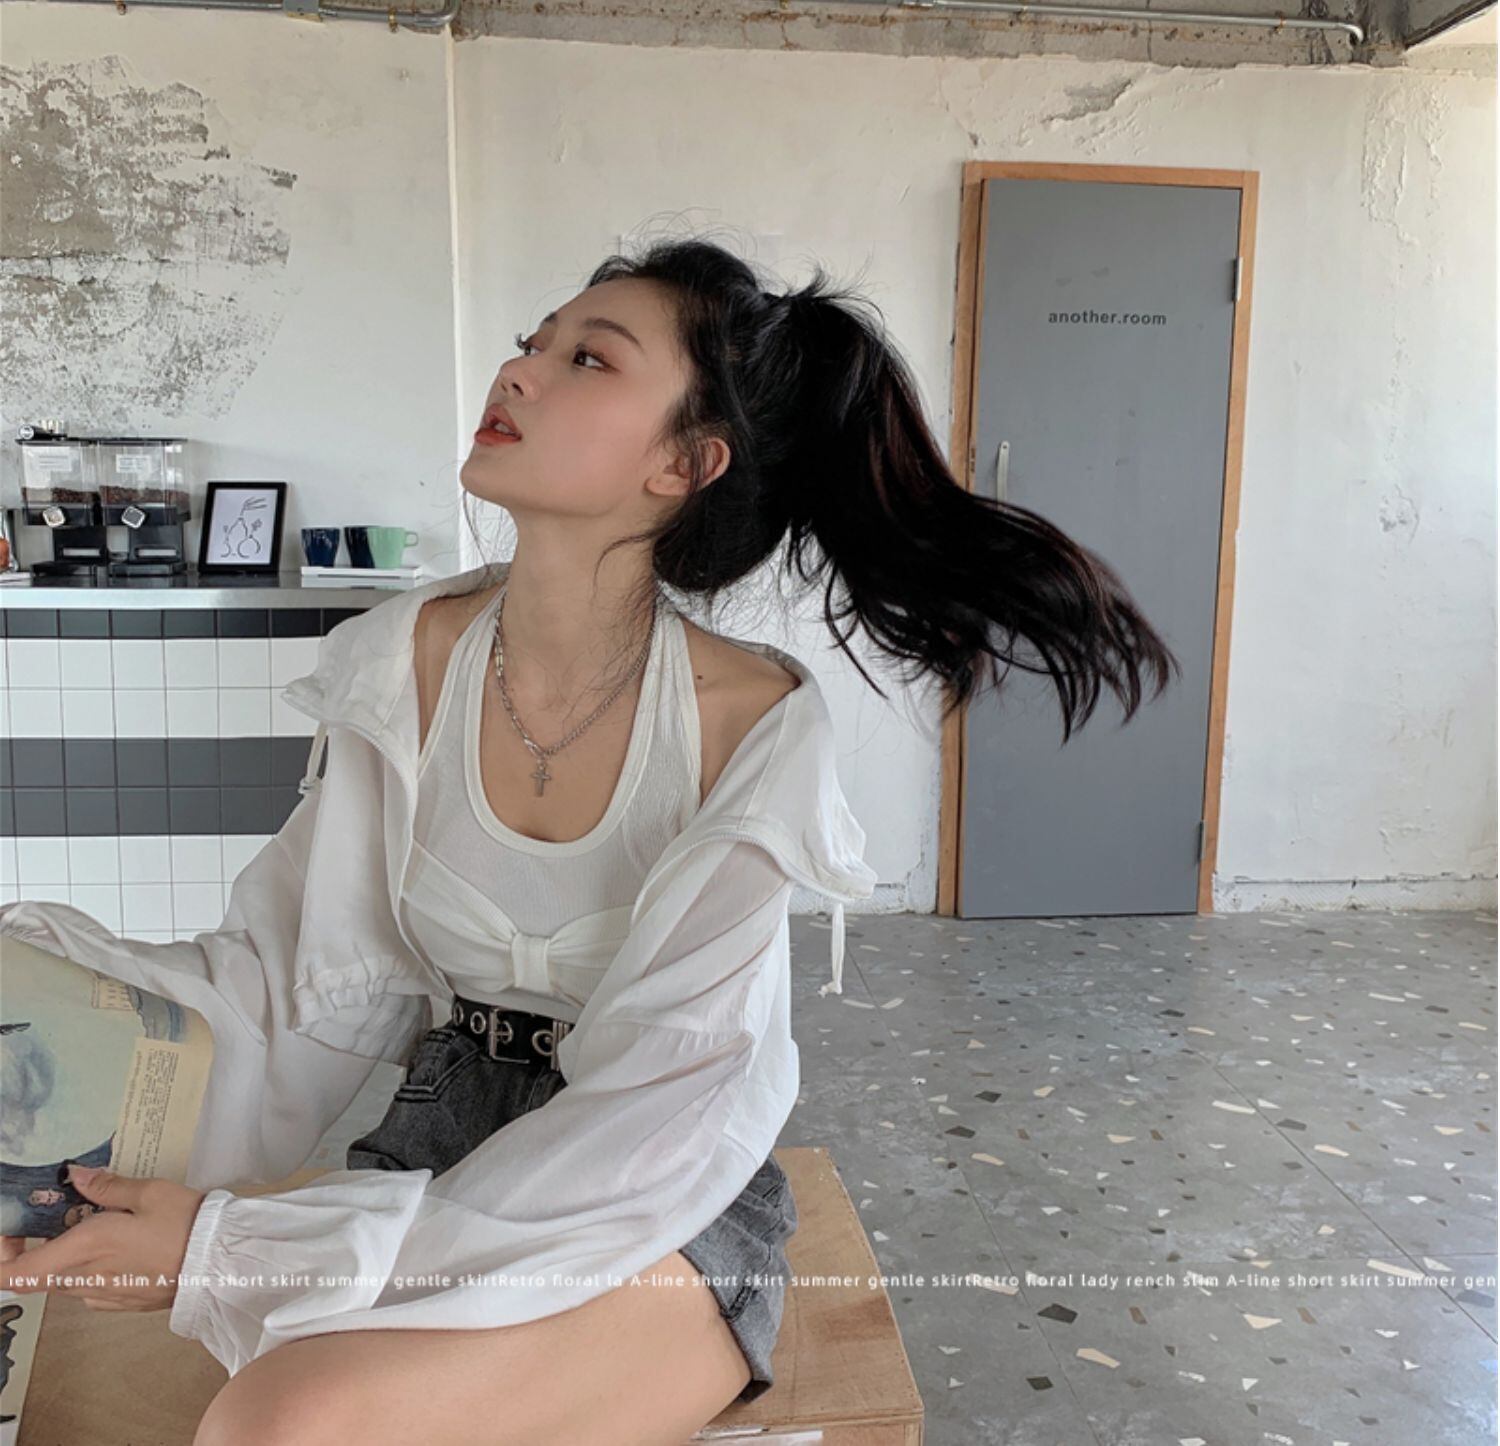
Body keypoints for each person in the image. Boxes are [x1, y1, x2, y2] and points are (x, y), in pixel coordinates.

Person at [0, 235, 1177, 1443]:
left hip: (656, 1196)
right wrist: (43, 1058)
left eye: (587, 359)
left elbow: (665, 1106)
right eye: (533, 343)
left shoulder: (748, 726)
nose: (519, 371)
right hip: (432, 1155)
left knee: (282, 1423)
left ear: (685, 462)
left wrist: (233, 1248)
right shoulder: (402, 665)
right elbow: (294, 984)